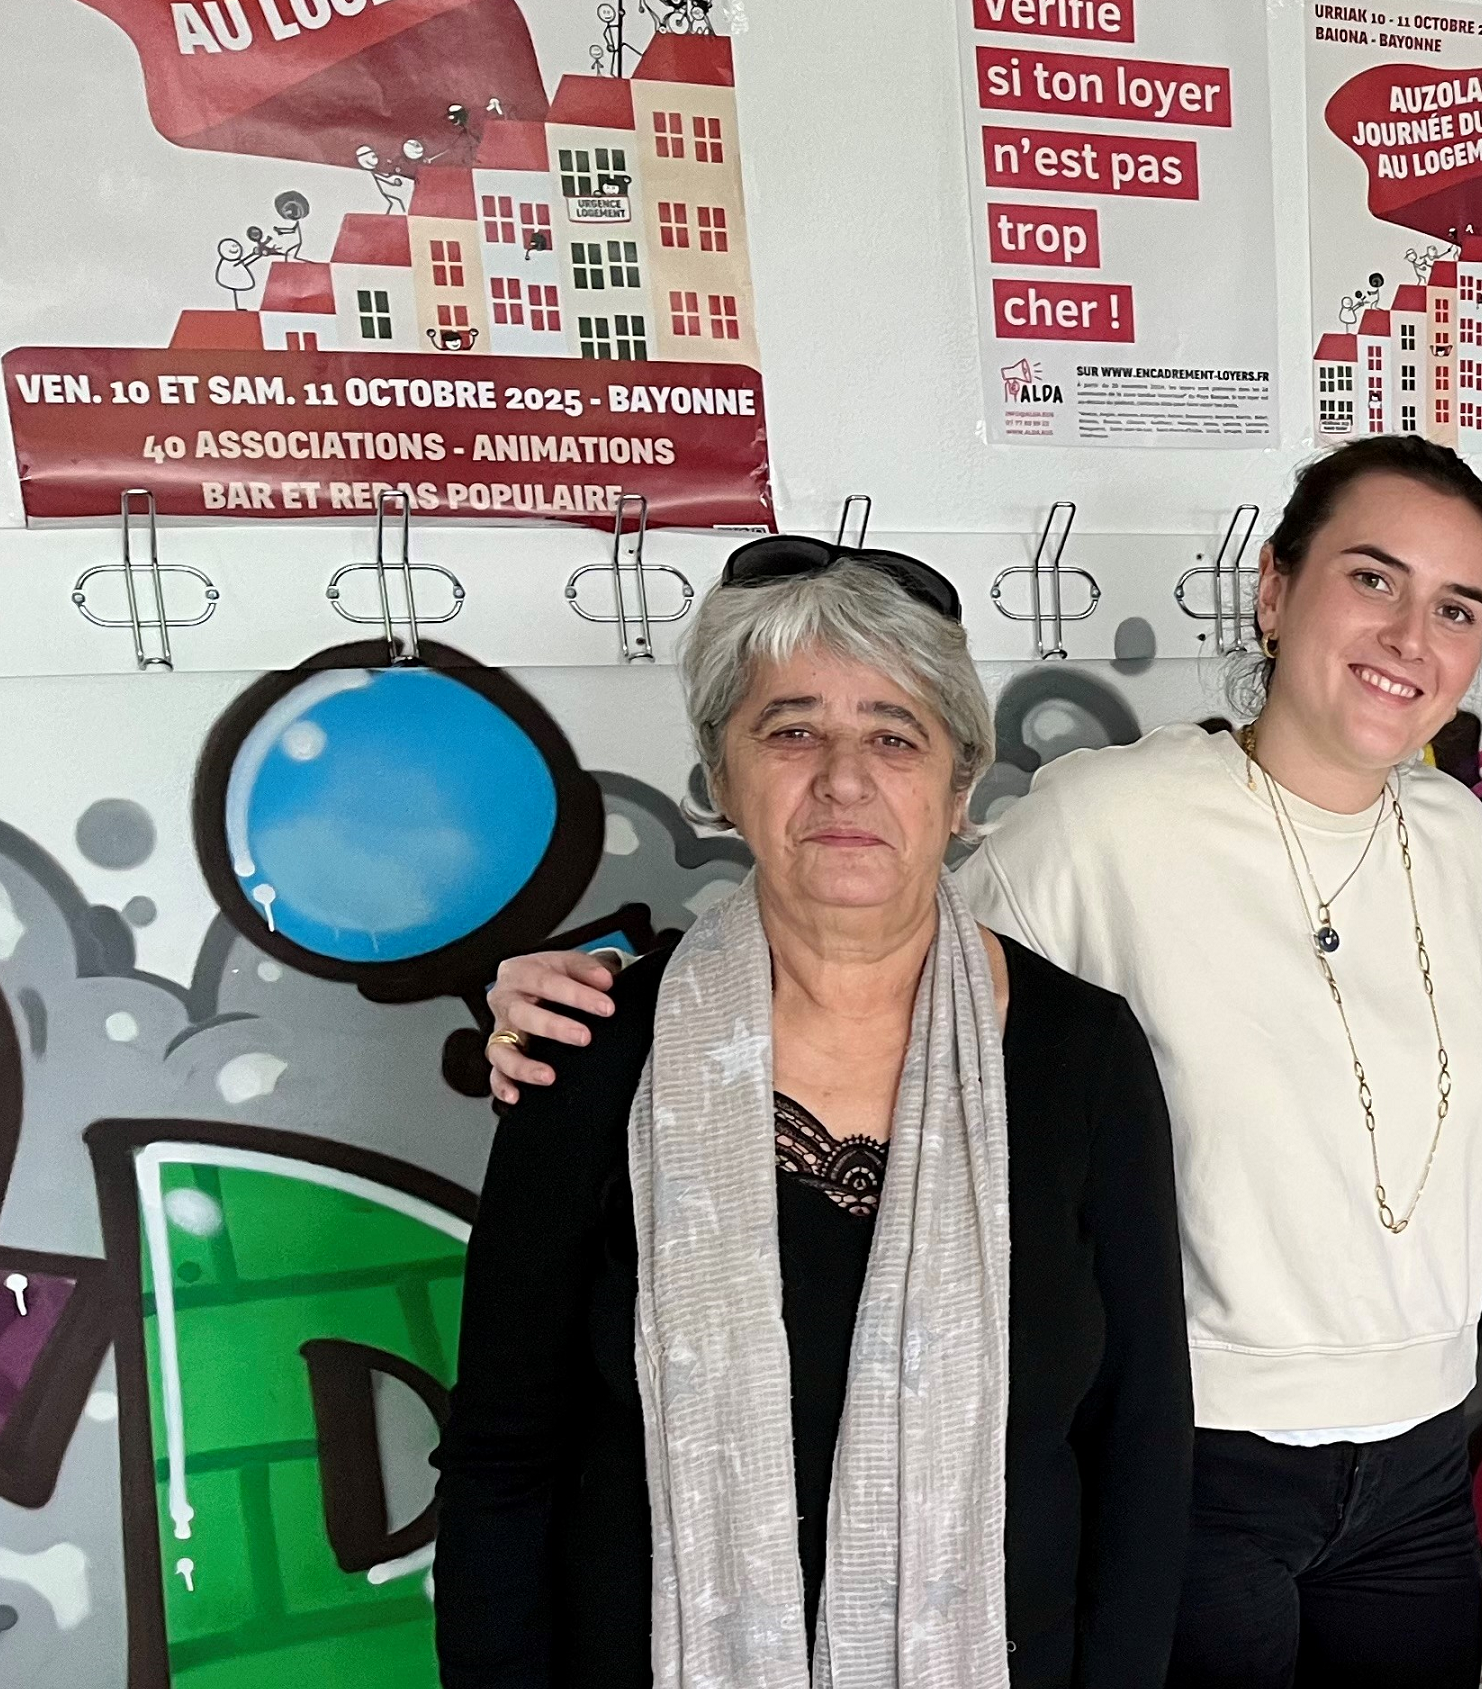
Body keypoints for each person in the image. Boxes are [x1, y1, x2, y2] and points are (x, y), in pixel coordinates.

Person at [480, 435, 1482, 1688]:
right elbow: (868, 920)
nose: (1410, 636)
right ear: (1275, 591)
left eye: (1457, 606)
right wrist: (612, 991)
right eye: (1373, 579)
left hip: (1417, 1467)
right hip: (1202, 1466)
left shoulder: (1457, 839)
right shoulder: (1105, 818)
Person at [433, 548, 1193, 1687]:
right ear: (723, 777)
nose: (844, 777)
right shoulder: (592, 1053)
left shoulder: (1081, 1055)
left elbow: (1140, 1445)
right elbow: (503, 1461)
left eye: (894, 734)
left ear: (958, 785)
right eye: (790, 731)